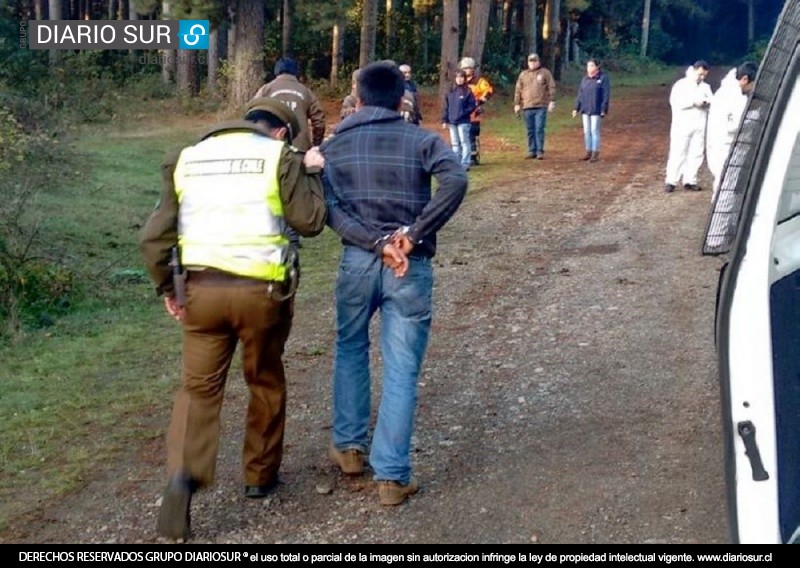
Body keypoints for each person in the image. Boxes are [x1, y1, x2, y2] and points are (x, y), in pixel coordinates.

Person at [139, 98, 327, 541]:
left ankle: (183, 478)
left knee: (198, 391)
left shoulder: (185, 158)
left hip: (200, 297)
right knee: (263, 377)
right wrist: (313, 175)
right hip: (262, 295)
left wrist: (169, 288)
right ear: (281, 132)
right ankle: (259, 476)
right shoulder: (278, 156)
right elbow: (311, 220)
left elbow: (152, 239)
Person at [319, 61, 468, 506]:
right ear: (402, 99)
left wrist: (375, 242)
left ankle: (348, 447)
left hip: (357, 261)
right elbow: (456, 178)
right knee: (401, 367)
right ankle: (391, 476)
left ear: (357, 98)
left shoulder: (335, 145)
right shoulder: (421, 139)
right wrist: (410, 235)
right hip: (410, 264)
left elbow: (328, 208)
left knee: (350, 349)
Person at [706, 61, 758, 199]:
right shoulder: (735, 97)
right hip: (726, 146)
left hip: (720, 144)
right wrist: (755, 117)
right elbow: (735, 125)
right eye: (753, 84)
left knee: (723, 186)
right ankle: (723, 220)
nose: (752, 89)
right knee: (726, 189)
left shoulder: (725, 91)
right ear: (745, 79)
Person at [254, 57, 326, 152]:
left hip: (271, 147)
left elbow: (252, 115)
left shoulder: (265, 90)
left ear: (276, 71)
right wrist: (316, 143)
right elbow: (319, 121)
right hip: (300, 149)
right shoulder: (305, 91)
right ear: (295, 72)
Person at [664, 60, 712, 193]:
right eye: (700, 74)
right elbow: (675, 102)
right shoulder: (681, 85)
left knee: (696, 153)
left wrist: (706, 103)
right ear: (694, 70)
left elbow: (712, 101)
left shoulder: (705, 87)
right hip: (682, 124)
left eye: (704, 75)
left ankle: (690, 180)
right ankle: (671, 181)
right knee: (678, 152)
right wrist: (693, 102)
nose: (702, 77)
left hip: (700, 123)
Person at [513, 53, 557, 160]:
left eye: (534, 61)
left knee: (539, 129)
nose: (532, 63)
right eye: (530, 61)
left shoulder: (545, 73)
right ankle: (532, 150)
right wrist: (517, 104)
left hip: (541, 106)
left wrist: (552, 101)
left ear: (538, 61)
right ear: (528, 62)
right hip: (527, 106)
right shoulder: (523, 75)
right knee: (530, 130)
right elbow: (518, 90)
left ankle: (539, 151)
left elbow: (551, 86)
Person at [572, 58, 610, 162]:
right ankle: (588, 151)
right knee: (586, 131)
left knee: (594, 131)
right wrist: (576, 107)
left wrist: (603, 109)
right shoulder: (585, 79)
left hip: (596, 109)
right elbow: (580, 94)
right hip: (585, 109)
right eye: (588, 66)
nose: (589, 68)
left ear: (597, 67)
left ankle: (595, 153)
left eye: (592, 66)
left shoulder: (603, 78)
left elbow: (606, 95)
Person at [459, 56, 494, 165]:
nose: (467, 70)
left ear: (473, 69)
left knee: (471, 136)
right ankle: (463, 156)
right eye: (465, 68)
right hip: (461, 115)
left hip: (473, 114)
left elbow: (489, 91)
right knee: (461, 137)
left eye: (469, 68)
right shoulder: (459, 81)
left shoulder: (479, 81)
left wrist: (478, 102)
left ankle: (473, 157)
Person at [441, 69, 477, 169]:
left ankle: (465, 163)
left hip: (463, 121)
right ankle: (456, 164)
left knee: (464, 142)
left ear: (464, 79)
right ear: (454, 79)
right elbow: (446, 107)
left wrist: (463, 113)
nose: (459, 79)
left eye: (461, 77)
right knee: (455, 143)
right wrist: (444, 119)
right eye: (457, 77)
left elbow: (472, 105)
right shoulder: (450, 91)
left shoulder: (468, 91)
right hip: (452, 121)